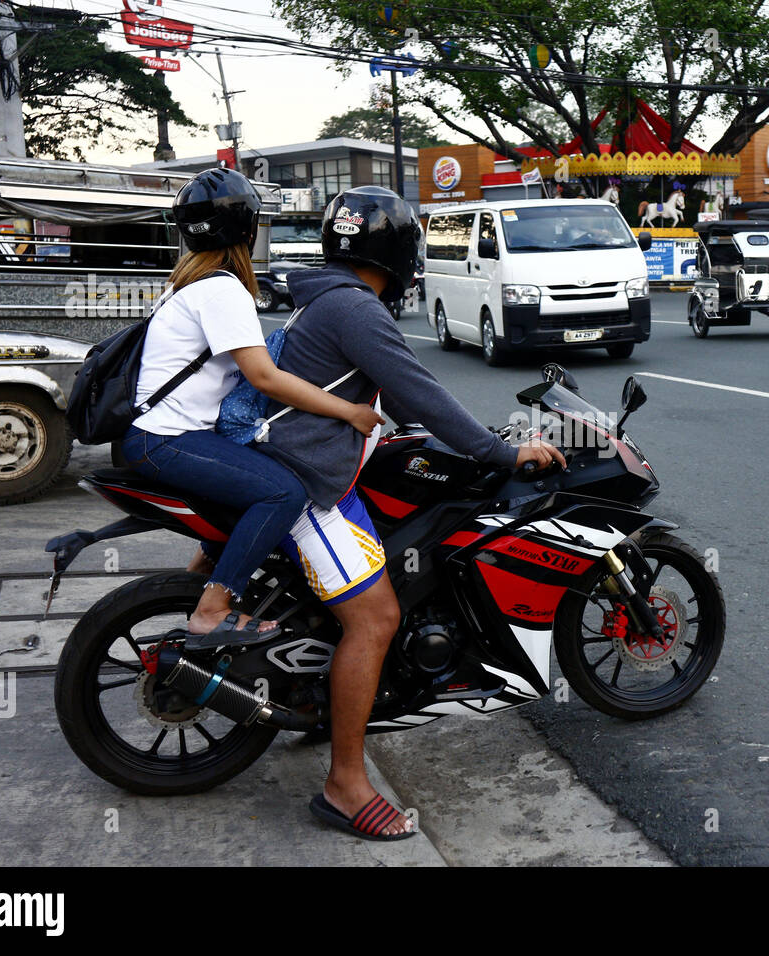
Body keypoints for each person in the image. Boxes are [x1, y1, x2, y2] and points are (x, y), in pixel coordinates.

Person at [255, 186, 563, 840]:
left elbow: (385, 392)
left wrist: (433, 434)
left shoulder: (324, 297)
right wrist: (500, 452)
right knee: (377, 616)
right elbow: (419, 392)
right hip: (310, 483)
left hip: (296, 466)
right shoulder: (355, 307)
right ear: (397, 253)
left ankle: (326, 704)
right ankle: (345, 786)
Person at [120, 168, 385, 643]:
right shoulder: (223, 290)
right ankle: (211, 608)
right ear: (248, 230)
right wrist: (348, 411)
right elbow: (265, 377)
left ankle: (196, 583)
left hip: (154, 435)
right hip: (167, 440)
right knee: (283, 492)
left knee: (250, 480)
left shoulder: (185, 284)